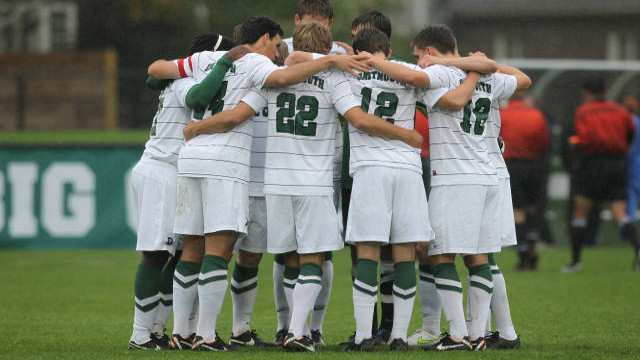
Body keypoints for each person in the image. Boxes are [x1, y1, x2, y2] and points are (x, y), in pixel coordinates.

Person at [147, 15, 371, 351]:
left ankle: (184, 331)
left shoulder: (212, 61)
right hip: (254, 170)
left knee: (193, 249)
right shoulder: (267, 70)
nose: (280, 49)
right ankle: (278, 332)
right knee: (279, 255)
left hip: (205, 163)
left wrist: (196, 128)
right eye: (278, 42)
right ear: (266, 38)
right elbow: (347, 112)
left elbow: (158, 72)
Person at [366, 24, 531, 350]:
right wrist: (479, 65)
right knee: (480, 255)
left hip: (456, 176)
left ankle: (458, 334)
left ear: (429, 51)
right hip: (489, 174)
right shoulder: (488, 77)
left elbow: (441, 95)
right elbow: (524, 80)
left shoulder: (441, 73)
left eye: (417, 54)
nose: (417, 61)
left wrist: (372, 60)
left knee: (435, 252)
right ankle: (480, 335)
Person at [344, 28, 493, 352]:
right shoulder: (410, 72)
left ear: (360, 51)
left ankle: (363, 337)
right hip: (408, 170)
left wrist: (345, 56)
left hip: (370, 170)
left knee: (368, 252)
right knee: (404, 255)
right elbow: (440, 93)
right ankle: (398, 336)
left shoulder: (346, 73)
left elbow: (302, 59)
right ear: (388, 48)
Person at [127, 32, 234, 351]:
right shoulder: (185, 80)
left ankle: (157, 329)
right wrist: (225, 63)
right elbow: (198, 99)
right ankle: (141, 335)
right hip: (162, 170)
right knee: (156, 253)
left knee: (178, 253)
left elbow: (152, 80)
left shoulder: (177, 76)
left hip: (177, 171)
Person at [562, 77, 640, 272]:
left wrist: (577, 144)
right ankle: (638, 252)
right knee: (620, 213)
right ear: (605, 91)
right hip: (616, 164)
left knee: (580, 212)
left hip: (591, 164)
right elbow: (630, 134)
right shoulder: (621, 111)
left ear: (586, 93)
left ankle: (575, 261)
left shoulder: (583, 111)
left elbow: (584, 136)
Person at [500, 93, 550, 270]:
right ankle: (531, 243)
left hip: (512, 165)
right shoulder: (536, 114)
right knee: (532, 209)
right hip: (534, 165)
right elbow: (544, 142)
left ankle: (523, 253)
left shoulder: (502, 114)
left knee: (516, 211)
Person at [623, 96, 640, 230]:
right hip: (635, 165)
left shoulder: (627, 123)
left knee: (630, 200)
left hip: (631, 165)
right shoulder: (636, 122)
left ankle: (629, 233)